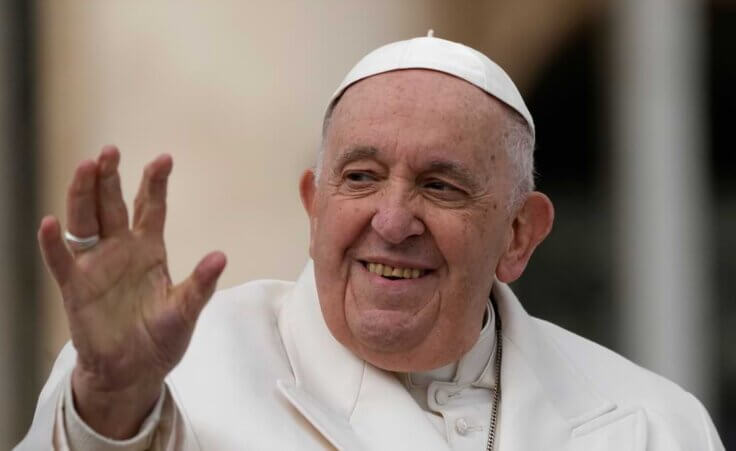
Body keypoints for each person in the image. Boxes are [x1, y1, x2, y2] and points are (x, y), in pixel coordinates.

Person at [17, 35, 724, 451]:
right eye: (361, 177)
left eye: (440, 185)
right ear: (314, 204)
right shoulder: (171, 372)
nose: (392, 219)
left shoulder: (654, 424)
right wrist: (110, 404)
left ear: (519, 233)